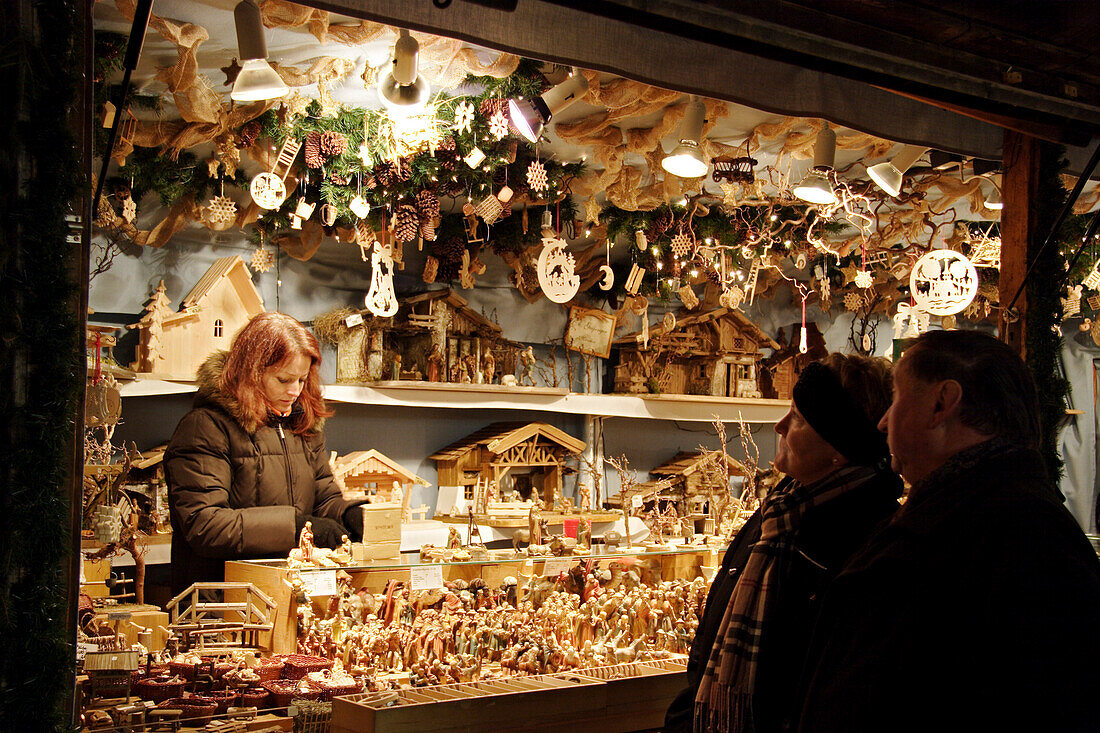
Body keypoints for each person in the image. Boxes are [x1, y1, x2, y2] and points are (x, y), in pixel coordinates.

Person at [795, 330, 1100, 732]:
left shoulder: (1019, 539)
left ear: (941, 404)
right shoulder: (965, 516)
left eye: (898, 398)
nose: (884, 420)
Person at [666, 353, 902, 733]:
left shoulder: (870, 544)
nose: (779, 425)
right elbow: (710, 640)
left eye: (799, 419)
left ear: (838, 448)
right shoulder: (776, 515)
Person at [165, 312, 364, 594]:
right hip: (223, 604)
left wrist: (352, 516)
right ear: (252, 373)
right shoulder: (206, 426)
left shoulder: (302, 427)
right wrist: (295, 528)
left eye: (302, 380)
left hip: (290, 593)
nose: (295, 390)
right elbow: (205, 524)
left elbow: (323, 500)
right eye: (283, 380)